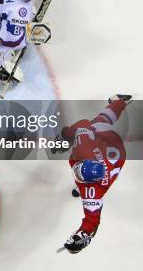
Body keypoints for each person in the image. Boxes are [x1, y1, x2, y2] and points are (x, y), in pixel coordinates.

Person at [52, 94, 132, 254]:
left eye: (80, 176)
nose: (77, 172)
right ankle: (121, 101)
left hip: (116, 157)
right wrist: (64, 137)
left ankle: (120, 102)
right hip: (103, 140)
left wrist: (82, 237)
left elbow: (92, 221)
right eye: (79, 172)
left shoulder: (93, 190)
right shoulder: (84, 134)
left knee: (102, 121)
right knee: (102, 120)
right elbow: (75, 128)